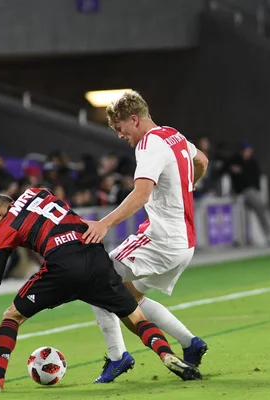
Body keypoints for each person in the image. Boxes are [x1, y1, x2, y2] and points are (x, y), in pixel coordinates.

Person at [0, 188, 201, 394]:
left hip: (62, 266)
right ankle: (167, 355)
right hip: (94, 254)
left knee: (12, 315)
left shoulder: (6, 224)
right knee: (135, 316)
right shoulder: (39, 192)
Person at [80, 90, 210, 383]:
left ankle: (118, 357)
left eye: (119, 128)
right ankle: (190, 343)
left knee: (95, 280)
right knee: (129, 298)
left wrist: (105, 223)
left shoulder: (149, 145)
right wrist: (185, 187)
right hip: (184, 244)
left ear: (134, 120)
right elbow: (201, 160)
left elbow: (140, 195)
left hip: (161, 241)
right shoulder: (172, 135)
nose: (119, 135)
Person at [227, 142, 270, 246]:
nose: (248, 152)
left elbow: (256, 177)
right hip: (242, 191)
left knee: (262, 208)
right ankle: (269, 235)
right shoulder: (235, 161)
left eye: (249, 150)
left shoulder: (252, 162)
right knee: (260, 207)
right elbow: (232, 174)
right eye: (246, 151)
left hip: (253, 190)